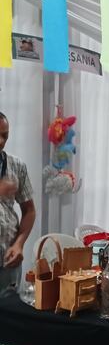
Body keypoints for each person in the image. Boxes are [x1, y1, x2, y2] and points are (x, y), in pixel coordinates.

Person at [0, 112, 36, 292]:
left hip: (8, 260)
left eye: (5, 135)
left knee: (9, 317)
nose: (1, 141)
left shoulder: (17, 166)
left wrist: (19, 244)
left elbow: (29, 210)